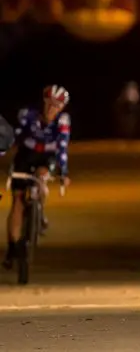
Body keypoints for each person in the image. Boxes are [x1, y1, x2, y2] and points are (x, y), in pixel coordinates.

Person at [3, 85, 72, 270]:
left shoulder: (63, 121)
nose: (52, 109)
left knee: (42, 176)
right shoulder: (28, 114)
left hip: (46, 156)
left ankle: (39, 210)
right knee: (17, 200)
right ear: (43, 102)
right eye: (49, 104)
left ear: (62, 108)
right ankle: (12, 247)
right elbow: (16, 138)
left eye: (57, 106)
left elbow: (62, 147)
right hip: (26, 154)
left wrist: (63, 171)